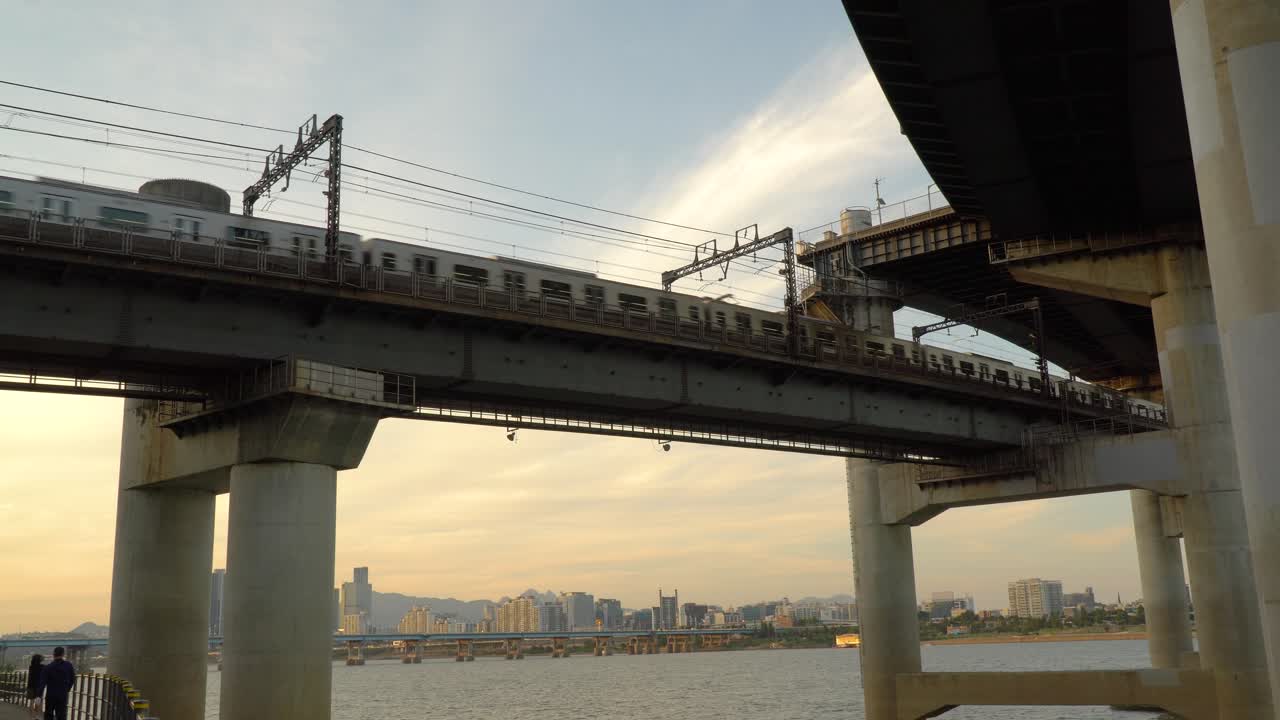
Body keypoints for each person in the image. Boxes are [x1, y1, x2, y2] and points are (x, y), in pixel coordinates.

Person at [38, 646, 75, 720]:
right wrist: (67, 689)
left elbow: (42, 683)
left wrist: (39, 695)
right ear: (63, 654)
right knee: (61, 715)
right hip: (62, 694)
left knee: (49, 714)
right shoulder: (68, 665)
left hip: (50, 694)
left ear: (53, 654)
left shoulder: (48, 667)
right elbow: (72, 679)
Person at [24, 654, 44, 720]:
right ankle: (38, 716)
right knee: (38, 702)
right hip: (38, 687)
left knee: (31, 702)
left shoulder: (31, 667)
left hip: (31, 686)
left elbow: (30, 678)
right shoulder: (42, 667)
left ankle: (31, 717)